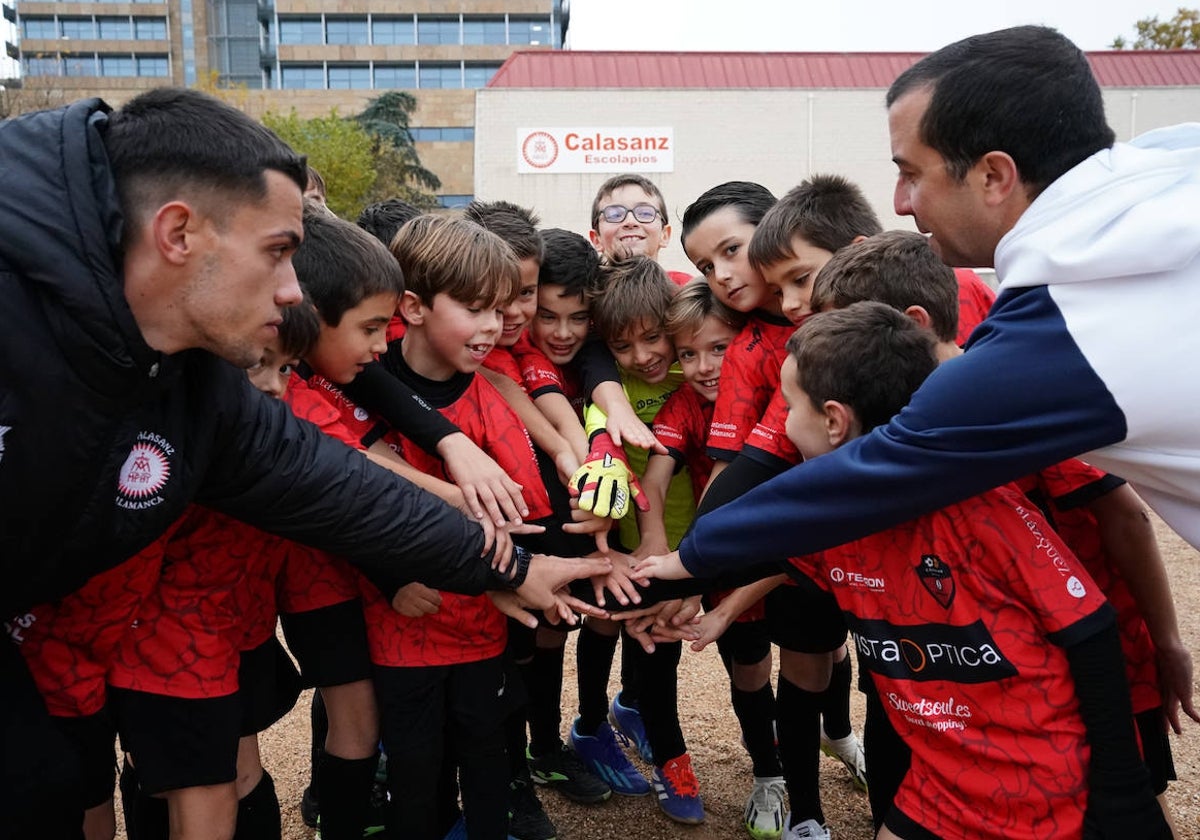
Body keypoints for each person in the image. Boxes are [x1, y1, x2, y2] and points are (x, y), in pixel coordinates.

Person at [0, 87, 608, 833]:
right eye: (278, 254)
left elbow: (334, 486)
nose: (294, 291)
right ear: (178, 232)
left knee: (46, 785)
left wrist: (511, 567)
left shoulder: (195, 381)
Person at [648, 24, 1200, 626]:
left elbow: (883, 467)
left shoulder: (1070, 327)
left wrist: (690, 558)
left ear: (993, 175)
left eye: (911, 172)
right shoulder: (1164, 180)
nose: (902, 202)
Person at [637, 301, 1173, 839]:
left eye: (786, 408)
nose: (779, 426)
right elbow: (740, 556)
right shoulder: (827, 523)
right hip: (937, 785)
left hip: (1043, 788)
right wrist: (606, 587)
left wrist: (1124, 789)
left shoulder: (986, 510)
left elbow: (1090, 629)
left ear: (832, 420)